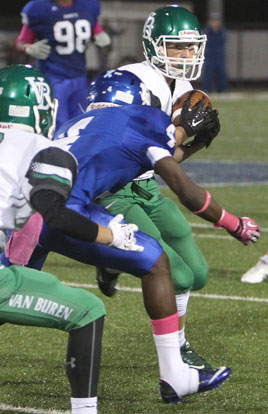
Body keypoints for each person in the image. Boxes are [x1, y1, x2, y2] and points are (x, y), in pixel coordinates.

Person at [2, 68, 260, 403]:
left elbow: (141, 161)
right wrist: (232, 223)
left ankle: (109, 266)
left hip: (32, 218)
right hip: (70, 213)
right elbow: (185, 189)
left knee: (7, 294)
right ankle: (174, 375)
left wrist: (183, 140)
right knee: (155, 261)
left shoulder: (74, 127)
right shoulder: (138, 118)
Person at [0, 65, 146, 414]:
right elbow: (54, 214)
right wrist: (109, 236)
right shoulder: (45, 149)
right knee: (89, 311)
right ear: (42, 108)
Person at [96, 4, 219, 371]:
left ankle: (109, 261)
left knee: (197, 273)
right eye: (177, 47)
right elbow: (125, 150)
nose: (187, 55)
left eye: (191, 46)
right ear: (152, 45)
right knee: (176, 274)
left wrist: (198, 141)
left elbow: (165, 158)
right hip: (114, 189)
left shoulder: (181, 87)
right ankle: (177, 350)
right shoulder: (131, 82)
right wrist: (182, 131)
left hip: (147, 187)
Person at [16, 0, 111, 132]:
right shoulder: (39, 8)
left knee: (81, 125)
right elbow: (22, 42)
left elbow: (95, 30)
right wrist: (29, 48)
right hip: (53, 78)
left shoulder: (87, 5)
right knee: (56, 127)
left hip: (80, 78)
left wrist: (100, 37)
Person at [202, 12, 228, 93]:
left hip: (219, 56)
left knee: (221, 73)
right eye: (213, 21)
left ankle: (222, 90)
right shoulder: (207, 32)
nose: (215, 23)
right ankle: (207, 90)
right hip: (209, 56)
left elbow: (222, 40)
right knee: (208, 74)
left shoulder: (222, 32)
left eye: (217, 21)